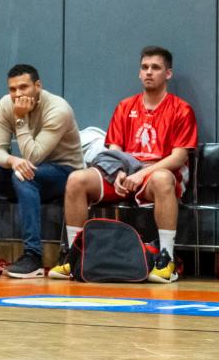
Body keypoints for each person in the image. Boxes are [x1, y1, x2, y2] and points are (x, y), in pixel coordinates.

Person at [50, 46, 197, 283]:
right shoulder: (125, 106)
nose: (149, 72)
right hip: (125, 174)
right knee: (77, 179)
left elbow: (178, 157)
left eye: (155, 68)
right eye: (144, 67)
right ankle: (73, 255)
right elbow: (114, 151)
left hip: (157, 174)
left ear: (168, 73)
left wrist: (141, 175)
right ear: (139, 73)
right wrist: (117, 172)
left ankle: (167, 258)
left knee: (162, 178)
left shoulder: (181, 109)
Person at [0, 64, 83, 278]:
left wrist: (20, 119)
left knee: (23, 175)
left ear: (38, 86)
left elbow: (34, 156)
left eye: (24, 87)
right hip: (26, 171)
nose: (17, 94)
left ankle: (33, 257)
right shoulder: (6, 104)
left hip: (64, 172)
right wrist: (13, 160)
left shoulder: (58, 109)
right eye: (12, 89)